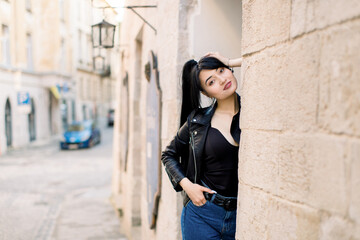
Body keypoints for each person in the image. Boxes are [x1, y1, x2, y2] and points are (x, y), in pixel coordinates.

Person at [161, 52, 243, 240]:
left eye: (222, 70)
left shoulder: (253, 111)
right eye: (211, 82)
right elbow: (168, 155)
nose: (222, 80)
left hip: (241, 214)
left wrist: (231, 61)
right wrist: (188, 186)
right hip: (202, 214)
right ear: (206, 93)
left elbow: (264, 58)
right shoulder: (197, 121)